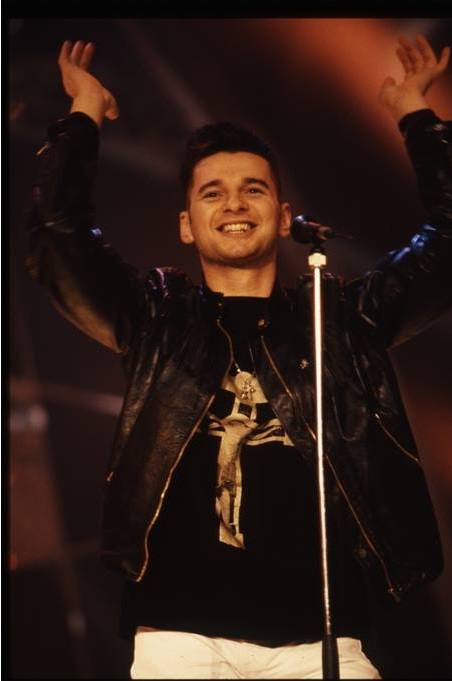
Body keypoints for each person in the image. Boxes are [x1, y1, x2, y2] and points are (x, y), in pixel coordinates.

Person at [26, 34, 452, 679]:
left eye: (253, 189)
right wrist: (83, 113)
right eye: (212, 192)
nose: (233, 203)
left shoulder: (341, 319)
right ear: (186, 224)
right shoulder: (156, 317)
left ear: (282, 217)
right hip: (179, 640)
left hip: (323, 642)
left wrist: (417, 118)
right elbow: (58, 236)